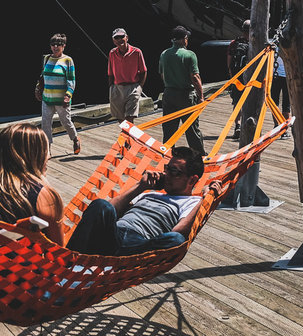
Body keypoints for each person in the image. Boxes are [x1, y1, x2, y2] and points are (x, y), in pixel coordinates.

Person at [66, 146, 222, 256]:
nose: (166, 174)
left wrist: (206, 201)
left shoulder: (192, 203)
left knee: (175, 240)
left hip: (139, 247)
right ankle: (67, 263)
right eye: (167, 168)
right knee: (101, 204)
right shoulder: (149, 193)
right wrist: (140, 186)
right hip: (113, 235)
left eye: (174, 171)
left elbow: (178, 232)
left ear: (192, 179)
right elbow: (109, 210)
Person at [0, 123, 65, 245]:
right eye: (45, 151)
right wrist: (44, 184)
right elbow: (59, 252)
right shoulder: (44, 196)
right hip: (27, 264)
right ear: (34, 155)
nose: (49, 156)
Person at [159, 25, 204, 154]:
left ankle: (167, 153)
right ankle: (198, 155)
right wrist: (201, 97)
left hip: (168, 94)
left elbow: (162, 74)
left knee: (169, 128)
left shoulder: (164, 54)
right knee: (191, 128)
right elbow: (195, 77)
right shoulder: (189, 55)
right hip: (186, 95)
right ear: (184, 39)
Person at [35, 33, 81, 154]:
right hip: (47, 98)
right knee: (45, 123)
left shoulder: (68, 60)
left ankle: (75, 138)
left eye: (58, 45)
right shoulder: (47, 59)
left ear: (63, 46)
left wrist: (68, 95)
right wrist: (38, 88)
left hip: (62, 100)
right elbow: (42, 76)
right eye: (53, 44)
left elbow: (71, 80)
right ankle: (47, 150)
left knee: (66, 122)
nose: (55, 47)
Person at [108, 28, 147, 125]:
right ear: (113, 41)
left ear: (127, 38)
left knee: (129, 118)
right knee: (120, 119)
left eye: (122, 37)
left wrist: (139, 88)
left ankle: (128, 139)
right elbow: (110, 73)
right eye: (116, 38)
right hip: (117, 89)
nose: (119, 39)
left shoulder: (137, 52)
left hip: (132, 87)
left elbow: (143, 71)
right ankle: (128, 139)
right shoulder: (112, 53)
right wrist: (111, 88)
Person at [227, 20, 251, 107]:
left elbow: (229, 59)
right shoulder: (254, 44)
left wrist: (230, 72)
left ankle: (236, 120)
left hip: (237, 74)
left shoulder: (234, 43)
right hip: (251, 76)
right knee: (249, 99)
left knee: (236, 100)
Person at [270, 50, 290, 118]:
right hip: (286, 76)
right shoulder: (290, 45)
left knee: (275, 102)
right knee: (286, 103)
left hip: (276, 76)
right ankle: (284, 124)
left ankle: (277, 124)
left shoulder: (274, 46)